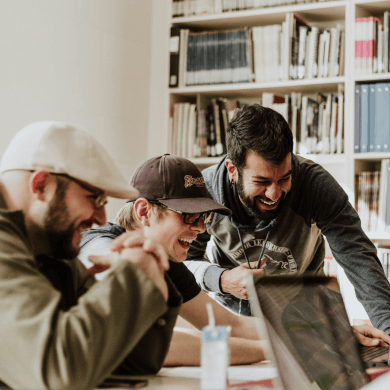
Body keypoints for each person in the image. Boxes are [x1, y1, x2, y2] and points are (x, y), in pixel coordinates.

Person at [0, 122, 182, 390]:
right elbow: (58, 373)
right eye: (94, 198)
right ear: (41, 185)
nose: (101, 218)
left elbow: (131, 363)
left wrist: (150, 273)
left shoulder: (52, 250)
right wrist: (135, 275)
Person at [185, 103, 390, 335]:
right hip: (235, 324)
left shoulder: (316, 185)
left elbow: (358, 257)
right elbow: (183, 262)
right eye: (262, 182)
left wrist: (387, 327)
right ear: (233, 170)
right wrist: (222, 279)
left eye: (284, 178)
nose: (274, 194)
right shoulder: (206, 191)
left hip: (306, 322)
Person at [79, 154, 267, 366]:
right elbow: (150, 342)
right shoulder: (98, 246)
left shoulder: (166, 263)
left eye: (203, 216)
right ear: (144, 212)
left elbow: (230, 325)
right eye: (189, 215)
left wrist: (297, 334)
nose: (201, 228)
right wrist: (270, 351)